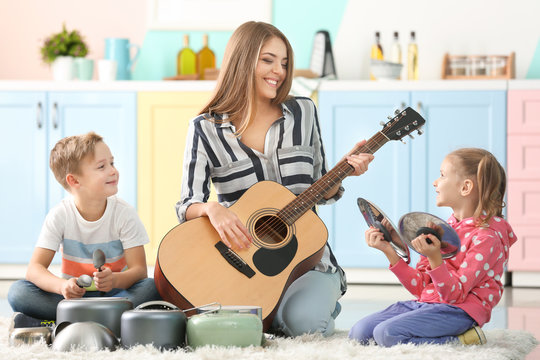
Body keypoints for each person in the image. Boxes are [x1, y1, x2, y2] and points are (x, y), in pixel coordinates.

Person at [175, 21, 374, 337]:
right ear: (243, 61)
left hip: (308, 263)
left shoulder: (304, 111)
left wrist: (343, 170)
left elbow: (320, 189)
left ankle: (303, 304)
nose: (279, 71)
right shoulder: (204, 128)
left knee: (305, 326)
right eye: (268, 60)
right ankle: (276, 310)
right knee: (233, 326)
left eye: (284, 62)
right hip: (243, 265)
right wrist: (212, 210)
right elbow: (187, 204)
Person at [348, 148, 516, 346]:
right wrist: (389, 251)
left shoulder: (487, 238)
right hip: (428, 304)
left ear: (465, 187)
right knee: (359, 333)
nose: (435, 182)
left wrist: (435, 258)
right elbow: (419, 287)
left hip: (459, 311)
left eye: (442, 175)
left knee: (387, 334)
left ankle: (463, 339)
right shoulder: (444, 229)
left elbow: (455, 296)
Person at [8, 132, 160, 327]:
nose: (113, 171)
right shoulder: (59, 215)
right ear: (74, 181)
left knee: (152, 286)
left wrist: (114, 280)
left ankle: (66, 320)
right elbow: (34, 270)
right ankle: (106, 319)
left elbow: (139, 271)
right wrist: (62, 286)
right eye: (102, 166)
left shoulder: (124, 213)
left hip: (114, 293)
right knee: (18, 292)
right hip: (73, 298)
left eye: (112, 163)